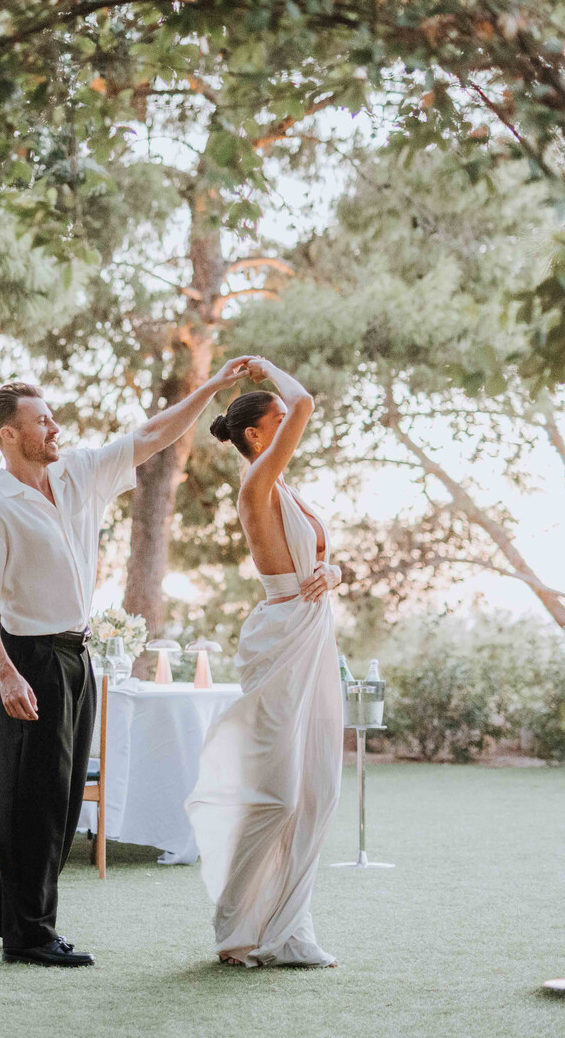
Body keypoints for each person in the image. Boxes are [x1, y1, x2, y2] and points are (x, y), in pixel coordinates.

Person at [0, 360, 260, 967]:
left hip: (78, 653)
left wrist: (208, 389)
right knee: (34, 797)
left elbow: (151, 435)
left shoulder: (78, 474)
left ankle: (4, 909)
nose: (56, 428)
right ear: (8, 435)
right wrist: (7, 673)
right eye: (42, 422)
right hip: (30, 659)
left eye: (53, 418)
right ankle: (30, 937)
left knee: (64, 798)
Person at [184, 357, 344, 968]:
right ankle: (236, 929)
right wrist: (265, 369)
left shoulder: (288, 491)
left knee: (318, 786)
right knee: (276, 791)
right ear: (257, 435)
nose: (292, 424)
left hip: (315, 632)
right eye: (276, 419)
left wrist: (332, 571)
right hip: (280, 634)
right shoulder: (256, 483)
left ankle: (288, 928)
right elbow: (304, 403)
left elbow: (324, 560)